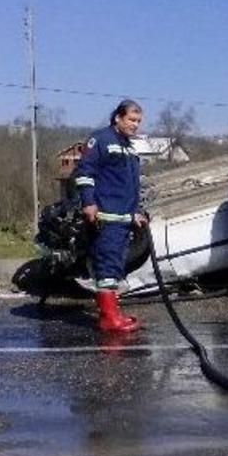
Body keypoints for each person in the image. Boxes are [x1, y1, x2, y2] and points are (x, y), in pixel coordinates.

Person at [73, 99, 149, 331]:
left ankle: (112, 312)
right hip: (106, 216)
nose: (135, 125)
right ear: (118, 117)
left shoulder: (127, 146)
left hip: (123, 218)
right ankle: (108, 318)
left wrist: (135, 212)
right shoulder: (102, 140)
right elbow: (85, 172)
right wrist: (89, 203)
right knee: (107, 265)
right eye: (131, 120)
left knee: (115, 266)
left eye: (138, 121)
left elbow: (128, 185)